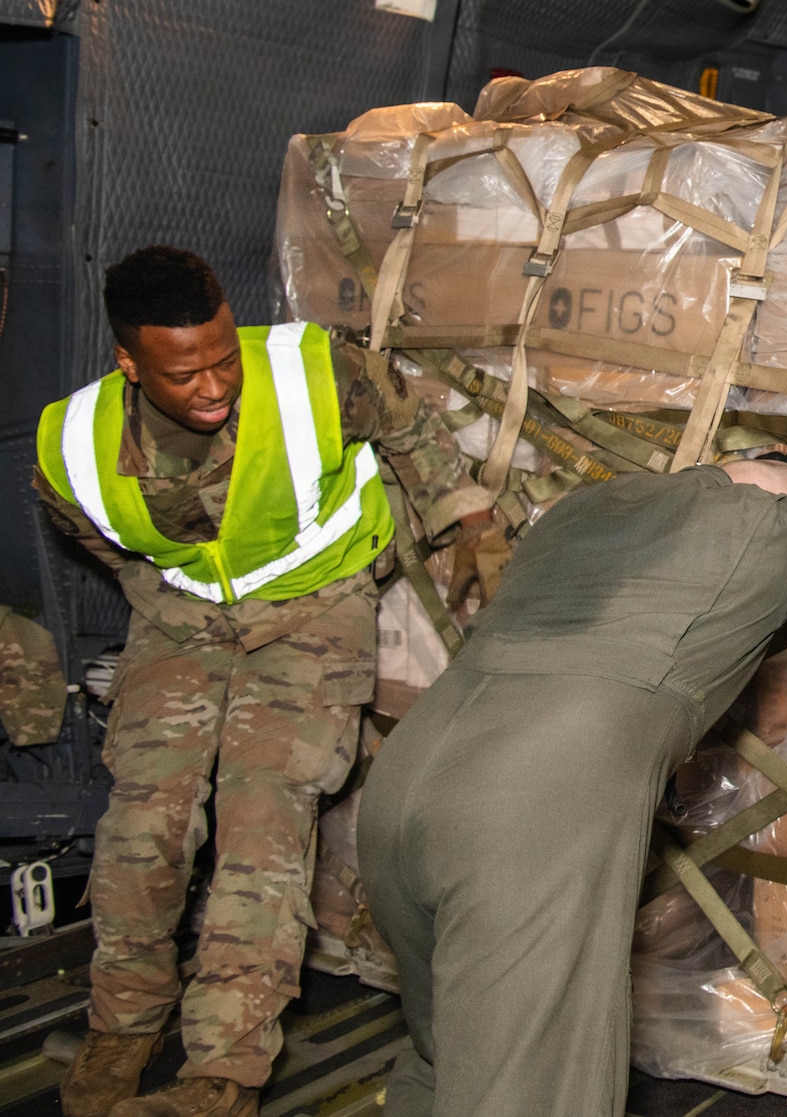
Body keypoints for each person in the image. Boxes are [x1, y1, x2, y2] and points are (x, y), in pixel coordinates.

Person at [355, 447, 787, 1117]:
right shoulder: (771, 524)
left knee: (444, 1052)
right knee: (529, 1088)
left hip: (405, 778)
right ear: (785, 482)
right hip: (528, 809)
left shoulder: (581, 510)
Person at [34, 246, 496, 1117]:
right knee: (144, 823)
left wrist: (461, 516)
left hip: (310, 611)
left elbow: (409, 426)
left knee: (262, 824)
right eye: (186, 372)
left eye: (222, 357)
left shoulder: (308, 372)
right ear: (130, 363)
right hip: (181, 618)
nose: (216, 385)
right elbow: (88, 527)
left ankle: (224, 1071)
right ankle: (124, 1023)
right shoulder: (71, 442)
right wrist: (160, 590)